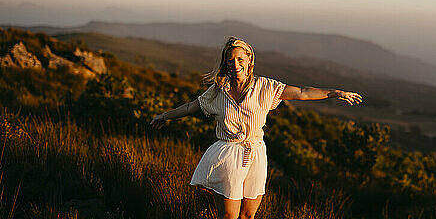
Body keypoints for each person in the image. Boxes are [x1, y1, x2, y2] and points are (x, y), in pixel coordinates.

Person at [149, 36, 362, 219]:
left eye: (240, 59)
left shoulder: (265, 87)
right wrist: (165, 116)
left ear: (249, 59)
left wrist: (336, 93)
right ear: (225, 63)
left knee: (248, 215)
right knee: (229, 216)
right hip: (228, 154)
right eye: (230, 60)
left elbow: (303, 92)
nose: (235, 64)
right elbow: (191, 107)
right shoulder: (218, 90)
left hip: (256, 154)